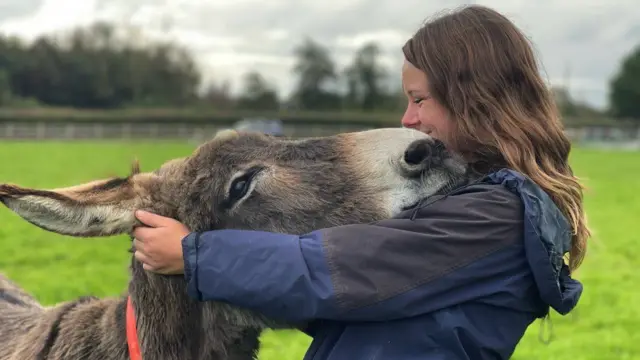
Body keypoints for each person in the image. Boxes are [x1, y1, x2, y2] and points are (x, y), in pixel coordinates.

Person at [132, 5, 589, 360]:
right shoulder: (483, 207)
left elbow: (327, 272)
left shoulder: (494, 218)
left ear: (475, 100)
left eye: (419, 100)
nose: (408, 119)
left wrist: (194, 256)